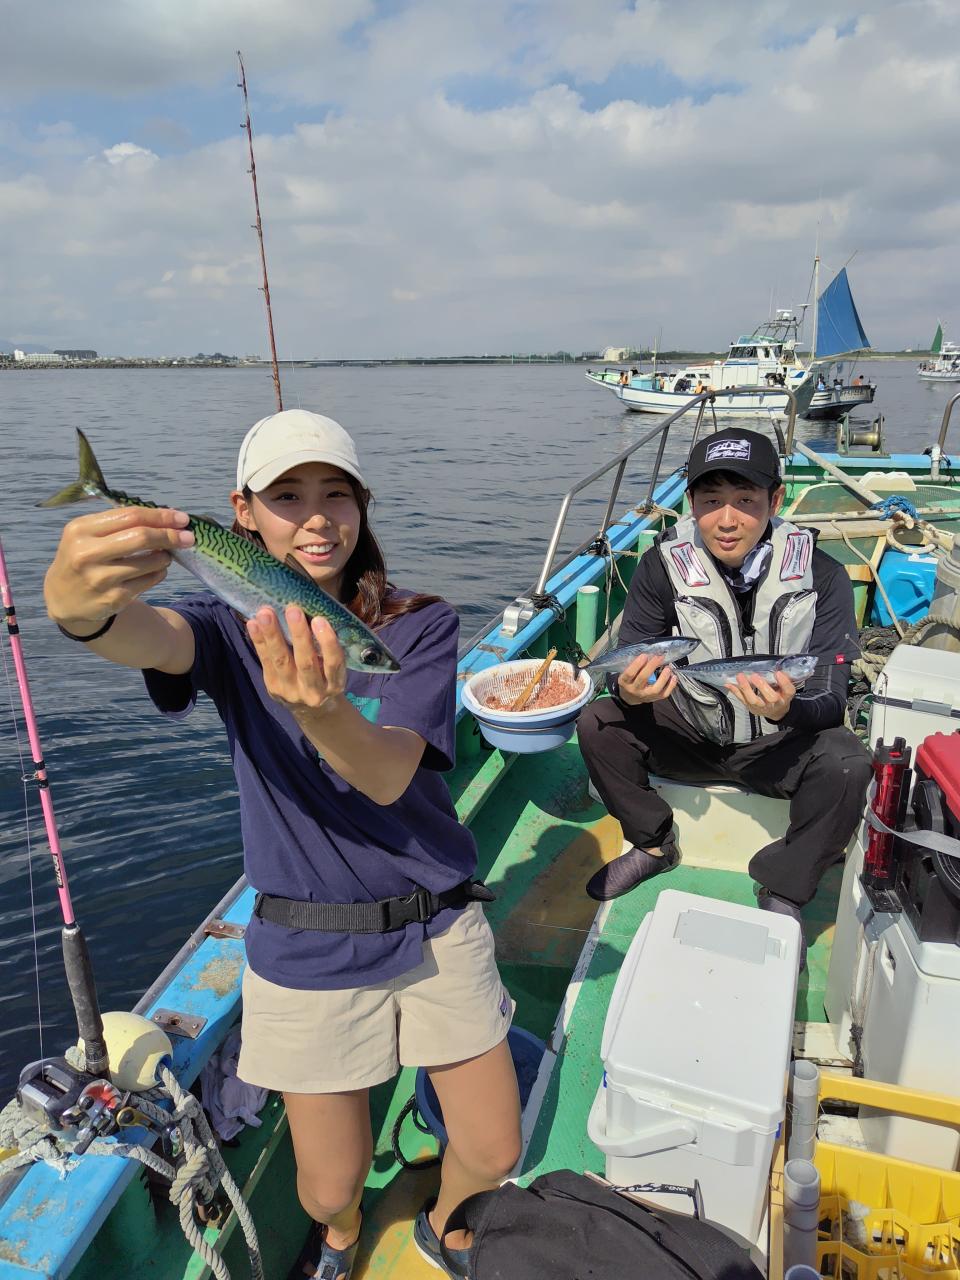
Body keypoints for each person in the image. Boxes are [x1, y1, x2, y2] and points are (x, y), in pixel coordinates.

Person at [42, 409, 522, 1280]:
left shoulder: (415, 624)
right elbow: (147, 634)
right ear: (244, 513)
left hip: (438, 921)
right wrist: (79, 612)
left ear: (363, 505)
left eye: (337, 494)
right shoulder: (225, 623)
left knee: (494, 1151)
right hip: (307, 939)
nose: (317, 518)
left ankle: (445, 1225)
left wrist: (324, 708)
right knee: (328, 1188)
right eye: (286, 497)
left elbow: (388, 774)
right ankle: (340, 1239)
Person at [577, 428, 872, 968]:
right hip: (692, 729)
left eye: (745, 501)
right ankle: (653, 843)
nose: (728, 520)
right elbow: (632, 656)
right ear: (691, 503)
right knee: (598, 722)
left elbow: (832, 699)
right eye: (711, 501)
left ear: (775, 501)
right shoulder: (660, 567)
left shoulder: (823, 574)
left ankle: (784, 885)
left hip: (779, 742)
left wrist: (788, 708)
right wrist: (630, 692)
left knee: (851, 764)